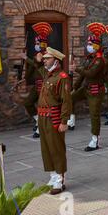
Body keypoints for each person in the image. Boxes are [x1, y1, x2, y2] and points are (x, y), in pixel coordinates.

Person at [37, 47, 72, 195]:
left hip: (54, 117)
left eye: (48, 58)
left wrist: (64, 121)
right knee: (46, 148)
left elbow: (66, 101)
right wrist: (37, 58)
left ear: (55, 61)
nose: (45, 61)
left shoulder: (62, 77)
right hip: (42, 117)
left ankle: (60, 179)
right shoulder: (47, 73)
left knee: (56, 149)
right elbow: (38, 66)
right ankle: (52, 176)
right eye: (44, 58)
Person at [68, 23, 107, 151]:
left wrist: (76, 68)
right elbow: (83, 75)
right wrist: (75, 86)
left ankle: (95, 140)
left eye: (91, 44)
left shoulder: (99, 60)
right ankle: (71, 120)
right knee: (71, 98)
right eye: (88, 44)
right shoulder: (89, 58)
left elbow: (90, 73)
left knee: (94, 115)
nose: (88, 46)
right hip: (86, 88)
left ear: (96, 46)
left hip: (95, 91)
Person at [21, 22, 52, 138]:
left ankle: (40, 128)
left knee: (42, 106)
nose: (36, 45)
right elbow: (32, 69)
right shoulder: (37, 54)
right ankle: (38, 120)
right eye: (36, 43)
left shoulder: (48, 55)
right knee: (28, 102)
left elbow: (37, 64)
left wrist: (26, 58)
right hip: (36, 85)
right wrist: (25, 79)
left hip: (44, 84)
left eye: (38, 43)